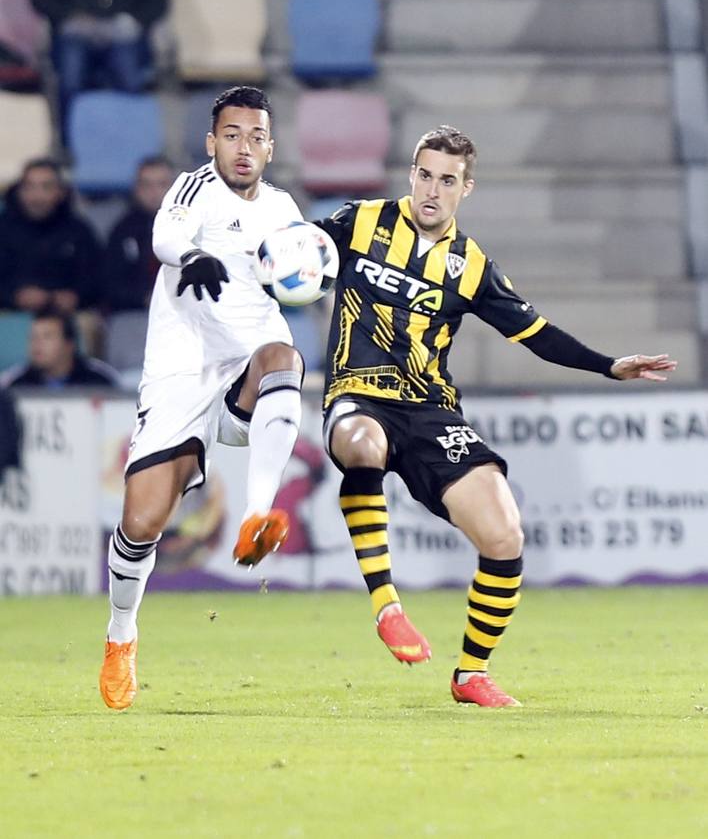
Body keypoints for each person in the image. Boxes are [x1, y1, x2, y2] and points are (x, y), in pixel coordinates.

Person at [314, 125, 677, 707]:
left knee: (505, 533)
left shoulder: (473, 266)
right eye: (425, 175)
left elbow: (536, 335)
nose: (433, 190)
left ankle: (470, 675)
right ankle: (387, 606)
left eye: (447, 180)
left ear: (467, 188)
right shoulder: (357, 222)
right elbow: (290, 252)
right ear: (411, 174)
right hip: (358, 392)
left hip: (431, 409)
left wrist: (610, 366)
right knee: (361, 445)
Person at [99, 86, 307, 711]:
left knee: (286, 359)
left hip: (247, 362)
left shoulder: (282, 208)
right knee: (141, 525)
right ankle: (121, 636)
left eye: (256, 137)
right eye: (232, 135)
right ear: (212, 141)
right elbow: (167, 234)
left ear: (270, 147)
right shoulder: (193, 189)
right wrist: (191, 256)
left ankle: (256, 515)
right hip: (182, 371)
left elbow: (304, 264)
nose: (244, 147)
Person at [30, 0, 169, 146]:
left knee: (129, 77)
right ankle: (70, 143)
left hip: (123, 32)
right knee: (70, 78)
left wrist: (132, 21)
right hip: (76, 31)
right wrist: (69, 18)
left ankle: (129, 141)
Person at [0, 158, 103, 313]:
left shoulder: (78, 230)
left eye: (46, 187)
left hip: (69, 315)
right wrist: (15, 297)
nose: (37, 196)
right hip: (9, 313)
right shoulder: (3, 228)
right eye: (30, 187)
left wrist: (76, 297)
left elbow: (98, 278)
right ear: (19, 191)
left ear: (60, 192)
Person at [104, 156, 174, 311]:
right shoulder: (122, 231)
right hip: (135, 312)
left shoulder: (193, 228)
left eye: (161, 185)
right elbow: (111, 285)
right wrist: (143, 298)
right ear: (136, 189)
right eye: (146, 185)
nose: (154, 192)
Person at [0, 306, 120, 389]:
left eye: (47, 337)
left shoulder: (100, 380)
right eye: (33, 337)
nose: (37, 344)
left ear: (69, 345)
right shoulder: (15, 383)